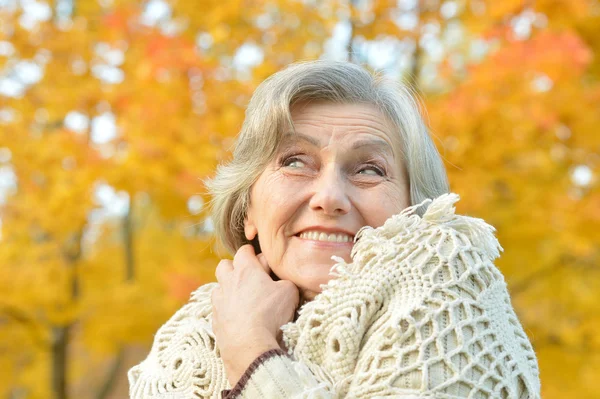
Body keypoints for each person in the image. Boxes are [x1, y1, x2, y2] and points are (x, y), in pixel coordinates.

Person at [128, 60, 541, 398]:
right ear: (247, 210)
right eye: (294, 161)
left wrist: (250, 350)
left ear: (416, 208)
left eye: (368, 170)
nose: (329, 197)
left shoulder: (453, 291)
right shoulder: (185, 343)